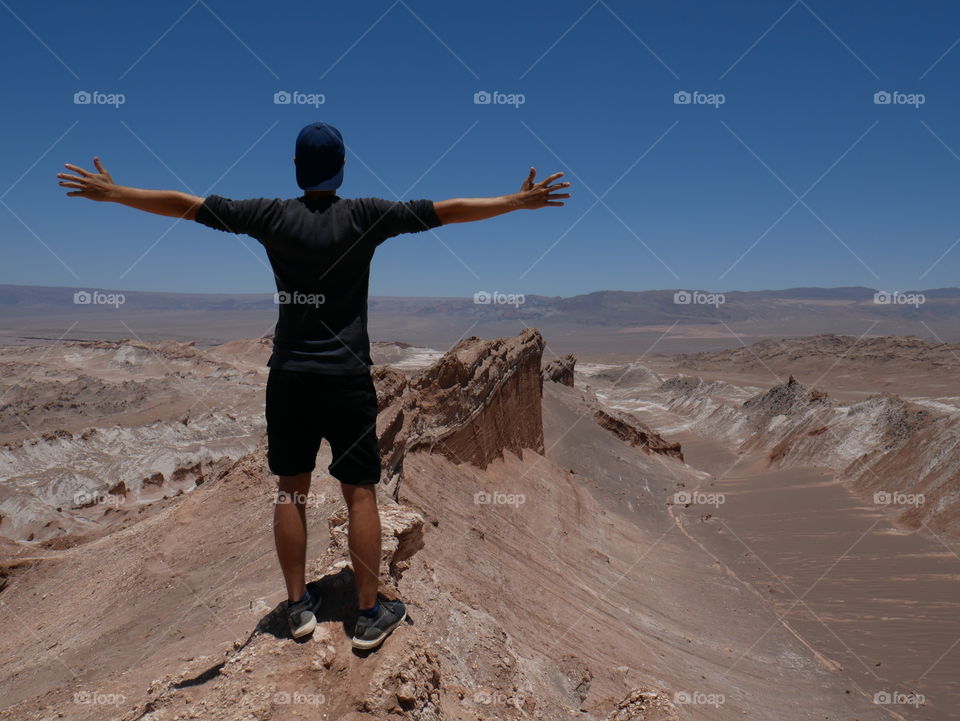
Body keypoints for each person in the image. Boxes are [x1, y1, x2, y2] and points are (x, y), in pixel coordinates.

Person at [57, 121, 571, 650]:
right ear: (344, 166)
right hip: (346, 380)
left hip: (290, 379)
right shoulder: (367, 216)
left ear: (296, 169)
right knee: (360, 493)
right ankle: (369, 614)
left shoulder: (268, 216)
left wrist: (115, 193)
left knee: (290, 490)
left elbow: (185, 205)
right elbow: (446, 211)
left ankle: (299, 607)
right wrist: (515, 200)